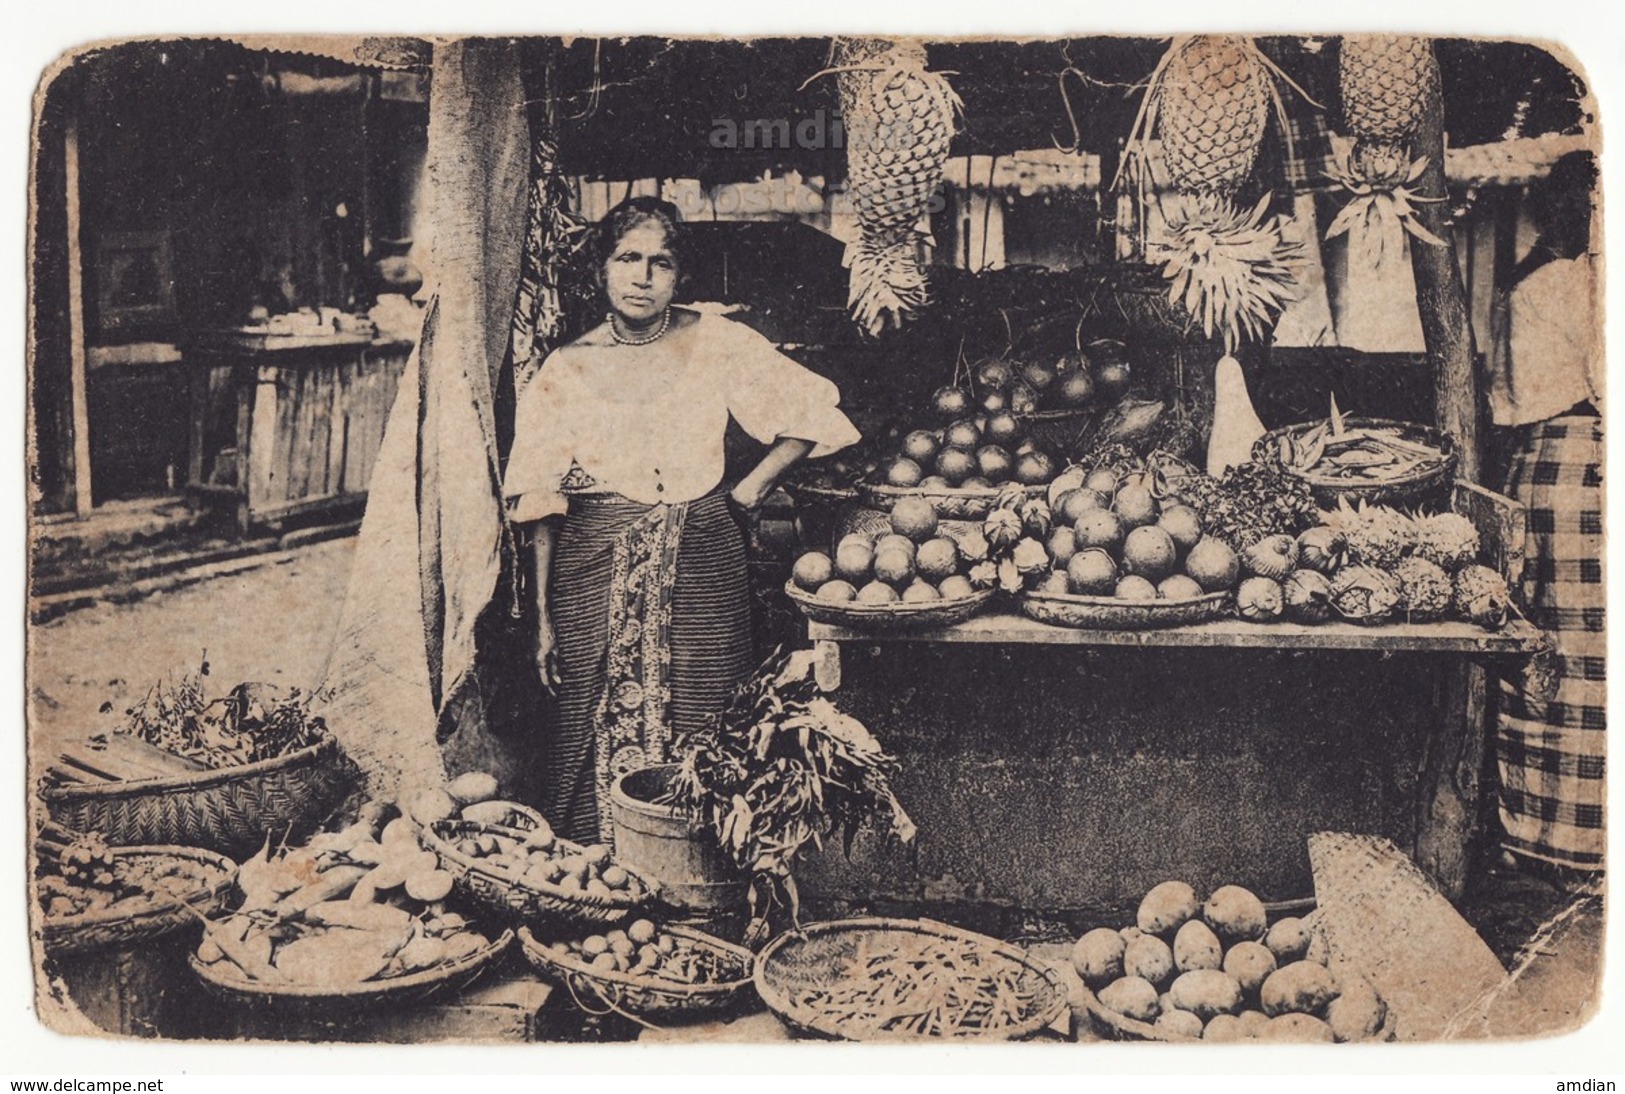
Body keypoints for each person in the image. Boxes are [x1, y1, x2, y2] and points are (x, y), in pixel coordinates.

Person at [503, 196, 861, 841]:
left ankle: (700, 870)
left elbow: (814, 410)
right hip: (590, 566)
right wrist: (543, 618)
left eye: (660, 263)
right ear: (601, 273)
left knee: (708, 711)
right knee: (585, 713)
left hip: (703, 557)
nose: (643, 276)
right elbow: (539, 499)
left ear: (679, 276)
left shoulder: (715, 341)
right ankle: (598, 862)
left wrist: (747, 489)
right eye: (628, 259)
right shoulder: (567, 367)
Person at [1488, 150, 1603, 882]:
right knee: (1594, 665)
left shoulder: (1524, 282)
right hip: (1589, 475)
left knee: (1546, 659)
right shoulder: (1584, 285)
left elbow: (1507, 405)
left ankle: (1542, 839)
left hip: (1537, 474)